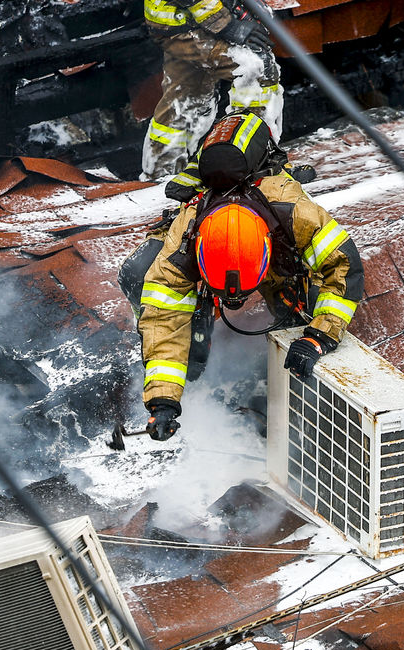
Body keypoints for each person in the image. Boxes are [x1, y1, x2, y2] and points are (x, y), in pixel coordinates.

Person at [134, 115, 364, 442]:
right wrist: (163, 400)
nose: (234, 303)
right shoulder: (184, 236)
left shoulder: (295, 214)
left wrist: (319, 336)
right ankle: (196, 353)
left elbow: (344, 267)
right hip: (216, 239)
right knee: (138, 273)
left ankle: (303, 412)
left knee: (304, 301)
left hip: (279, 253)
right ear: (196, 254)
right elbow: (163, 316)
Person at [142, 0, 283, 181]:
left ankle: (160, 175)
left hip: (178, 23)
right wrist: (228, 26)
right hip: (188, 22)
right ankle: (252, 166)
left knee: (186, 97)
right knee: (255, 68)